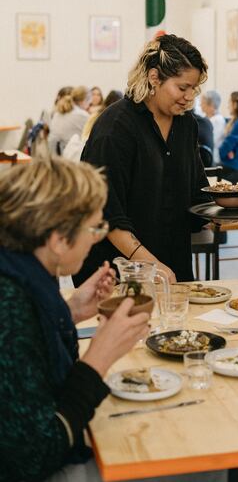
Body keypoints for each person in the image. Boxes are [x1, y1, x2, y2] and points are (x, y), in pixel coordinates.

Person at [0, 157, 150, 482]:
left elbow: (26, 356)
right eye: (94, 228)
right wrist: (98, 359)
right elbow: (35, 454)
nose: (97, 238)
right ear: (58, 240)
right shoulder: (9, 305)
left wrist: (67, 313)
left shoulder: (20, 273)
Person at [73, 34, 210, 287]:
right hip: (117, 269)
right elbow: (106, 211)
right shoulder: (115, 128)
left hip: (171, 260)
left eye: (194, 89)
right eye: (182, 88)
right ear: (154, 77)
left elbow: (197, 190)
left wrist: (224, 209)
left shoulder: (186, 124)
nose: (190, 97)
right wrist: (149, 263)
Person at [48, 86, 90, 155]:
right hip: (69, 158)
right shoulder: (82, 115)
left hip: (54, 156)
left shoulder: (57, 113)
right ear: (84, 101)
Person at [201, 90, 226, 163]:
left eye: (203, 103)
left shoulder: (218, 120)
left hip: (212, 158)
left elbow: (212, 141)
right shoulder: (206, 118)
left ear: (211, 105)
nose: (200, 105)